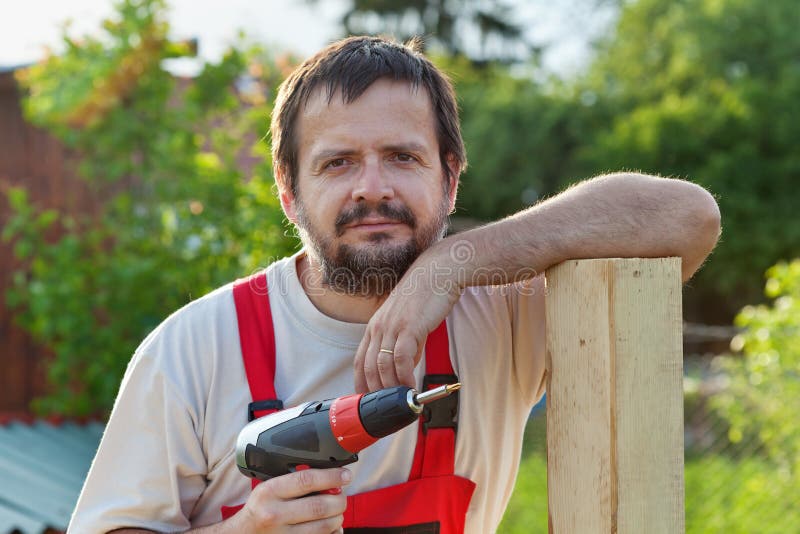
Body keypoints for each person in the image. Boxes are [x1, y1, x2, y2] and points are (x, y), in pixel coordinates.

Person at [69, 36, 721, 534]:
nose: (372, 187)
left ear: (450, 179)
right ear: (290, 193)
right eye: (338, 162)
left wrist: (450, 265)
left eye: (403, 157)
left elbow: (689, 217)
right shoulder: (192, 351)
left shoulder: (502, 313)